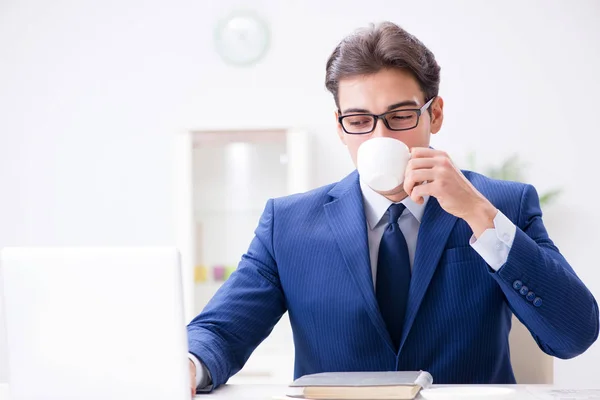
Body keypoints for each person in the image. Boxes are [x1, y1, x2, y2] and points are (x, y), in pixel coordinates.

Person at [186, 21, 599, 396]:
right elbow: (220, 331)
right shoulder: (288, 224)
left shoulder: (502, 205)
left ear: (434, 115)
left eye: (400, 115)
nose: (380, 136)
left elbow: (575, 334)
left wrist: (478, 214)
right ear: (340, 127)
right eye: (360, 120)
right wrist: (189, 365)